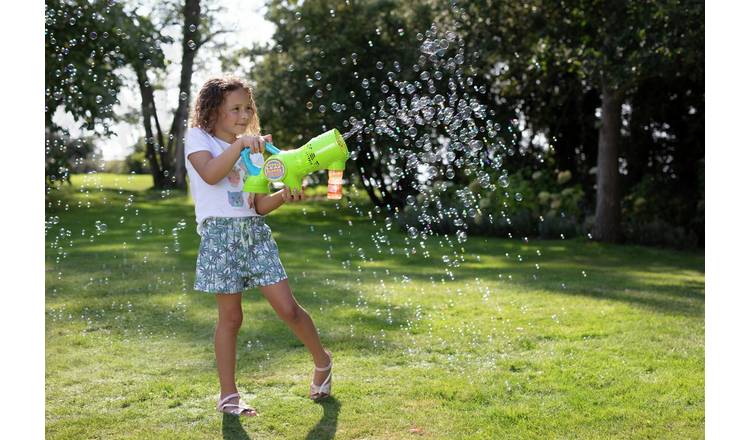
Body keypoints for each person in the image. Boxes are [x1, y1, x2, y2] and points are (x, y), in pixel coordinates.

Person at [184, 76, 333, 417]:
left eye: (246, 108)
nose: (242, 114)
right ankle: (228, 396)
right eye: (234, 108)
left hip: (254, 233)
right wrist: (240, 146)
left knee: (288, 309)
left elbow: (258, 206)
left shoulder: (253, 150)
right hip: (220, 237)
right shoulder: (199, 138)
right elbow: (209, 174)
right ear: (211, 111)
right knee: (231, 318)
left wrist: (284, 193)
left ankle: (323, 363)